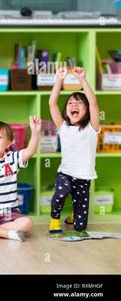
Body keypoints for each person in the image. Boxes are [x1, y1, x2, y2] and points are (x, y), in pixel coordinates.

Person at [48, 66, 100, 233]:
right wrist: (60, 79)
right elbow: (52, 103)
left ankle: (74, 215)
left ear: (86, 111)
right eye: (70, 103)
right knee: (60, 193)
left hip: (83, 178)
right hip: (66, 173)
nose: (73, 105)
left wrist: (82, 79)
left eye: (78, 103)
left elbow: (93, 102)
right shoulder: (63, 126)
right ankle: (54, 220)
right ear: (66, 111)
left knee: (80, 227)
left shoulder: (92, 127)